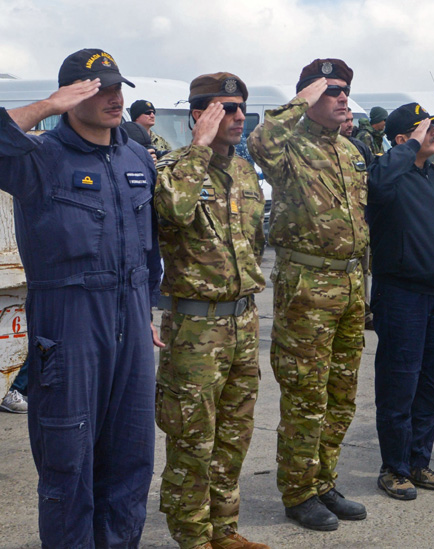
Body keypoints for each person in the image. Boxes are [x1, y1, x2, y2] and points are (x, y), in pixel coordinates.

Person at [0, 48, 162, 546]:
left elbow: (148, 241)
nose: (114, 98)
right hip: (68, 327)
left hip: (131, 321)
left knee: (131, 460)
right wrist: (48, 105)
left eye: (117, 88)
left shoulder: (135, 155)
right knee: (69, 467)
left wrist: (147, 310)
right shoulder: (39, 157)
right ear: (73, 95)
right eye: (99, 89)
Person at [247, 58, 368, 531]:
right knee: (306, 395)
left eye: (344, 91)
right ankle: (298, 491)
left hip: (351, 284)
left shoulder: (351, 151)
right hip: (308, 289)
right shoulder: (287, 147)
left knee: (341, 393)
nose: (341, 98)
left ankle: (324, 480)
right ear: (308, 97)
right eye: (330, 91)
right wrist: (299, 99)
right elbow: (259, 139)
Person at [154, 73, 268, 549]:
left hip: (242, 319)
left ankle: (225, 530)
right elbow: (173, 212)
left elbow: (255, 241)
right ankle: (192, 536)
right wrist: (197, 149)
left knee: (234, 435)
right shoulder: (174, 166)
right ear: (200, 113)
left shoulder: (242, 171)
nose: (240, 117)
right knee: (192, 438)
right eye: (227, 108)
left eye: (243, 108)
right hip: (196, 326)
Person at [367, 102, 434, 500]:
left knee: (430, 386)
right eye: (424, 128)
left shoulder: (432, 176)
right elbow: (378, 181)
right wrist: (404, 148)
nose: (433, 132)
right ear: (403, 140)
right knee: (399, 385)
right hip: (401, 294)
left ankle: (420, 462)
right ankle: (395, 468)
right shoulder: (390, 176)